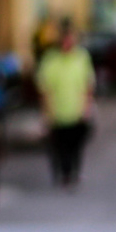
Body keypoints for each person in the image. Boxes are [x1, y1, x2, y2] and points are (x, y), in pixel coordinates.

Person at [36, 18, 96, 189]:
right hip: (58, 112)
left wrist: (87, 107)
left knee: (76, 144)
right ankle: (65, 174)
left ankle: (75, 172)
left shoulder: (81, 57)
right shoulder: (51, 60)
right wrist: (46, 112)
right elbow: (44, 88)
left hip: (76, 111)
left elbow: (88, 84)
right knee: (60, 146)